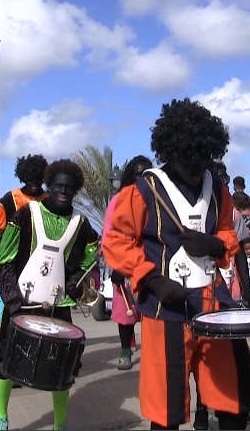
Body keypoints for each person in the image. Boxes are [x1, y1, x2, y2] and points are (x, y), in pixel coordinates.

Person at [102, 97, 250, 430]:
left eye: (203, 156)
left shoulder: (217, 188)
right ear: (170, 150)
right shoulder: (143, 190)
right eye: (188, 155)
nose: (196, 163)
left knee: (234, 397)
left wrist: (216, 243)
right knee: (168, 408)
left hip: (214, 304)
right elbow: (115, 241)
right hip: (165, 311)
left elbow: (228, 232)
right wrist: (153, 280)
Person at [0, 159, 99, 431]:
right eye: (59, 185)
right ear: (48, 185)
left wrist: (75, 282)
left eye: (70, 187)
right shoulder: (26, 214)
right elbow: (5, 258)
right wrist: (13, 300)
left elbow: (90, 256)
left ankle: (60, 424)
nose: (64, 191)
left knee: (61, 366)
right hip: (21, 301)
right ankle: (1, 415)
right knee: (5, 359)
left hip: (58, 303)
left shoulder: (81, 222)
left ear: (76, 190)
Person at [103, 155, 153, 371]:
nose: (141, 179)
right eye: (136, 175)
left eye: (146, 175)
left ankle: (152, 352)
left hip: (151, 264)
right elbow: (110, 235)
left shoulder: (158, 199)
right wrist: (118, 266)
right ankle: (125, 350)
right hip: (125, 264)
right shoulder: (118, 200)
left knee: (152, 313)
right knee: (126, 312)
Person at [0, 154, 49, 230]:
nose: (34, 182)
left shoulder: (49, 199)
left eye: (38, 178)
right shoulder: (10, 199)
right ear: (24, 178)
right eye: (30, 179)